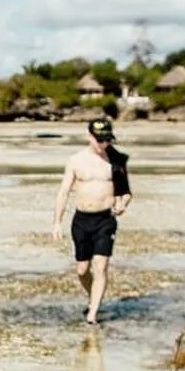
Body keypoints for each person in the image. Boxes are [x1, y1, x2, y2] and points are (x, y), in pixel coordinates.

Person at [51, 117, 131, 325]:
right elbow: (63, 193)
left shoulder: (116, 160)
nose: (103, 144)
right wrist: (57, 222)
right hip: (81, 220)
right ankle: (92, 296)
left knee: (100, 266)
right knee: (82, 270)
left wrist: (122, 205)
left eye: (106, 140)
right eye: (99, 140)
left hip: (105, 219)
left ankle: (92, 314)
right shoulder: (76, 161)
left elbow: (126, 192)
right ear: (89, 137)